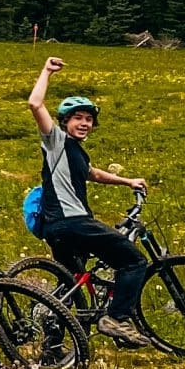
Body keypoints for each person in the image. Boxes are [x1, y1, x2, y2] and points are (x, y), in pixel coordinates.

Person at [27, 57, 153, 343]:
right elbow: (35, 104)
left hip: (58, 228)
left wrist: (127, 181)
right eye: (78, 118)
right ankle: (116, 318)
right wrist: (46, 71)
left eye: (89, 120)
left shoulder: (75, 152)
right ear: (65, 122)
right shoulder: (56, 141)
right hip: (73, 223)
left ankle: (52, 346)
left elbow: (92, 173)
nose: (84, 123)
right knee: (134, 262)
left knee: (69, 285)